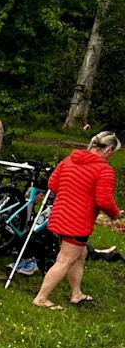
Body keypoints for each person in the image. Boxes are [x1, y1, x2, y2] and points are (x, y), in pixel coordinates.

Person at [33, 131, 121, 310]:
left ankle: (76, 293)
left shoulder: (69, 160)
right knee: (65, 260)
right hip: (78, 221)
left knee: (80, 256)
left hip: (60, 215)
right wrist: (116, 214)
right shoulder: (104, 170)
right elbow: (103, 200)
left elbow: (52, 184)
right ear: (109, 149)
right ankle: (41, 298)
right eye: (113, 152)